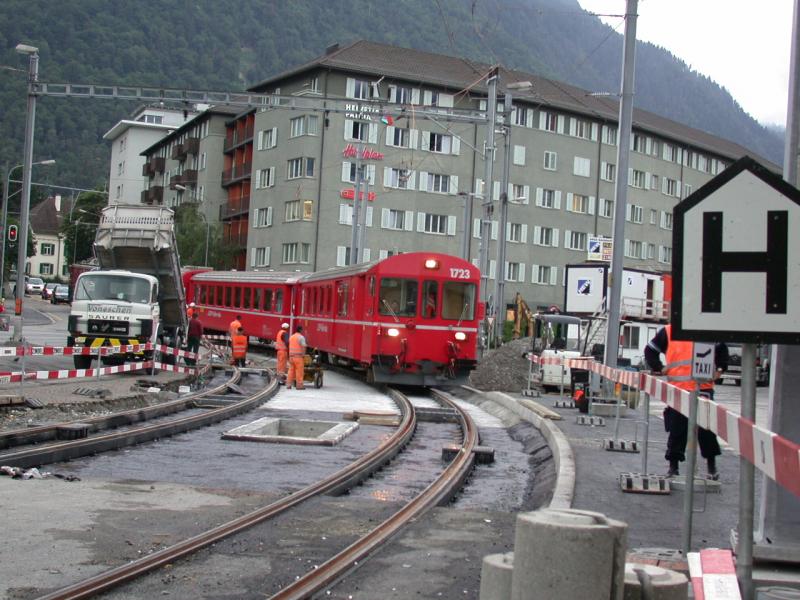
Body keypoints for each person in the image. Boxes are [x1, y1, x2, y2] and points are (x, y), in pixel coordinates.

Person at [644, 324, 729, 480]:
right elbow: (650, 350)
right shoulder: (669, 331)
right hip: (679, 389)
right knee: (678, 429)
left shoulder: (707, 329)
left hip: (703, 388)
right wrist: (658, 367)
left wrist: (720, 369)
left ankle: (711, 466)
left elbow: (722, 351)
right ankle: (673, 467)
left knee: (707, 430)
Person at [286, 325, 307, 390]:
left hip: (291, 357)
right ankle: (299, 385)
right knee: (299, 371)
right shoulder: (301, 337)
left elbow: (289, 345)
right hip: (298, 357)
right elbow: (303, 346)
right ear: (300, 330)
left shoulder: (291, 337)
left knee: (290, 371)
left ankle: (288, 385)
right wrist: (303, 355)